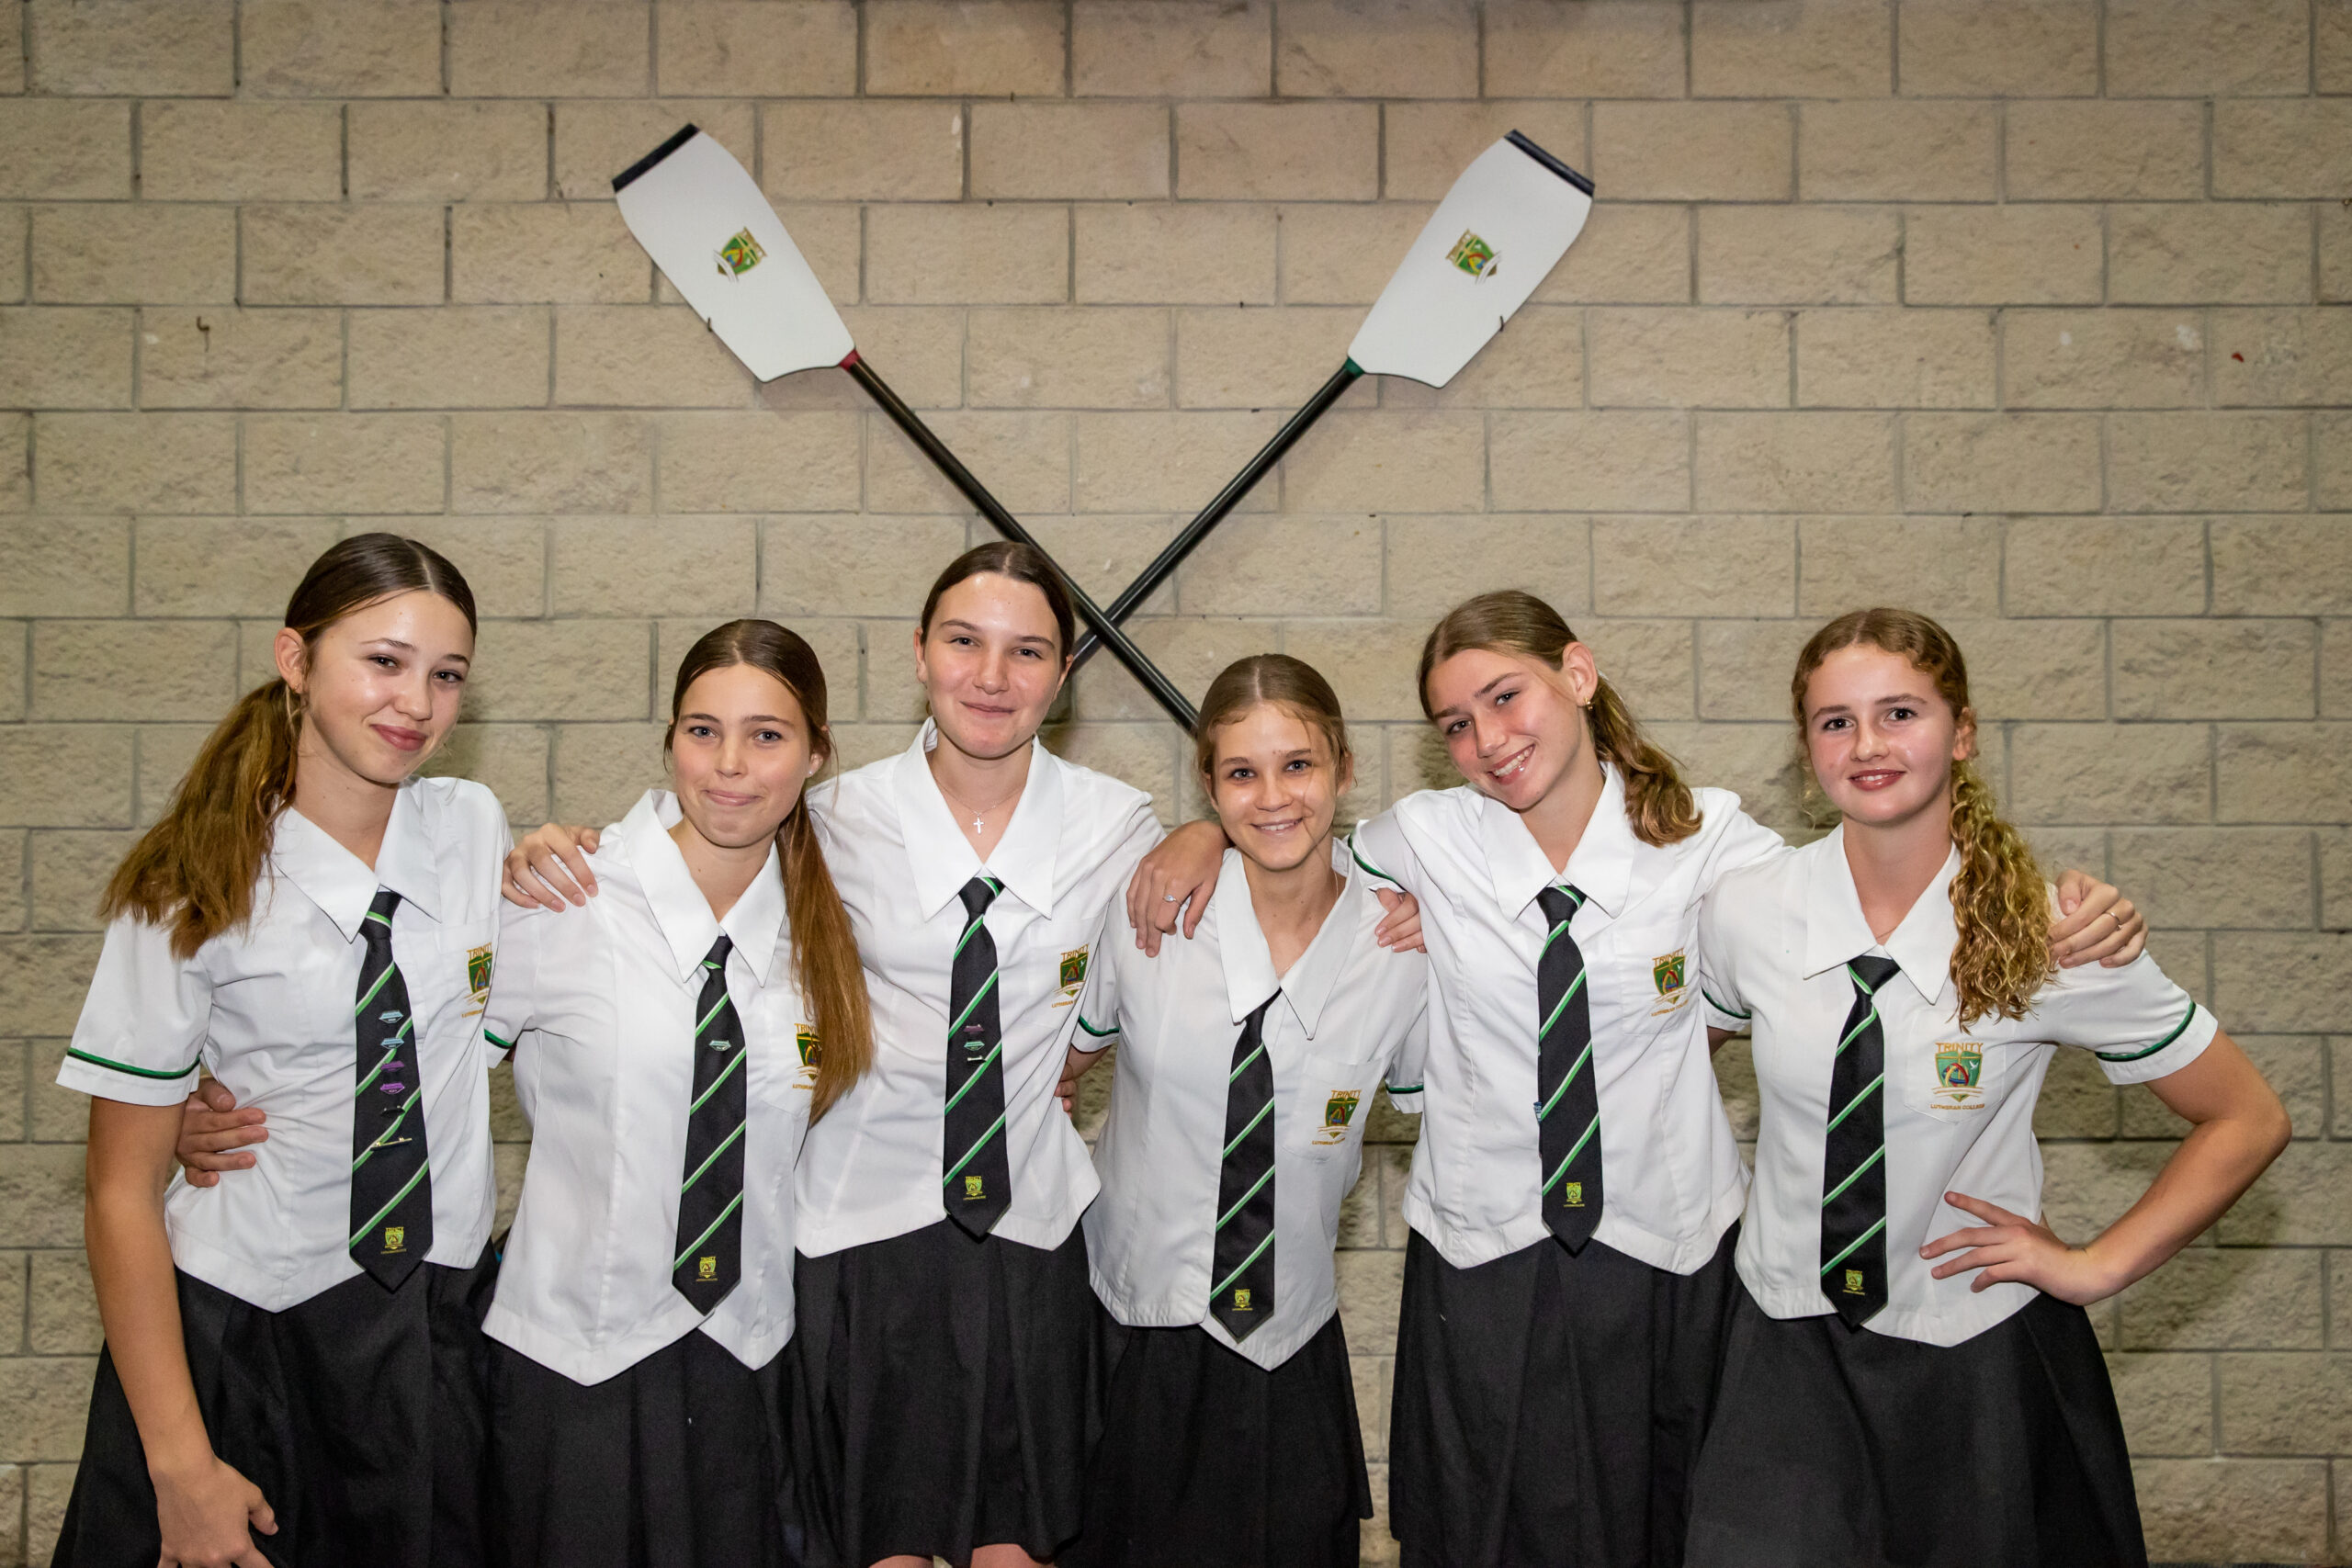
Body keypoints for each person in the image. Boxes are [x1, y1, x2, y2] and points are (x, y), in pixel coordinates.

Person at [1124, 590, 2148, 1568]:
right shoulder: (1426, 839)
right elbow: (1293, 835)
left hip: (1668, 1257)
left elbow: (1856, 885)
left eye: (1506, 697)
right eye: (1457, 724)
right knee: (1484, 1534)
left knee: (1674, 1526)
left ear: (1577, 674)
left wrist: (2061, 905)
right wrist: (1199, 833)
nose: (1489, 739)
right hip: (1485, 1256)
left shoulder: (1710, 841)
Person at [495, 545, 1371, 1568]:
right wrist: (561, 849)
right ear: (919, 653)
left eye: (1027, 650)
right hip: (865, 1237)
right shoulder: (827, 822)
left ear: (1065, 670)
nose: (991, 676)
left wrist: (1202, 832)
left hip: (1032, 1239)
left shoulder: (1116, 826)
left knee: (1020, 1552)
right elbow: (692, 863)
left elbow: (1272, 847)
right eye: (964, 641)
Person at [1682, 607, 2289, 1568]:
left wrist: (2095, 1266)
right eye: (1836, 721)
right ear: (1806, 750)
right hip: (1783, 1345)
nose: (1868, 743)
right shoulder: (1745, 912)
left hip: (1973, 1352)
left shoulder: (2051, 936)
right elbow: (1662, 1052)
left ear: (1961, 732)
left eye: (1900, 713)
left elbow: (2246, 1117)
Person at [54, 535, 505, 1568]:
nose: (416, 704)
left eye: (446, 676)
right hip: (245, 1342)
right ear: (295, 659)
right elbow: (118, 1194)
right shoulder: (190, 884)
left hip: (431, 1337)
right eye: (383, 662)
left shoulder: (473, 826)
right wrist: (181, 1467)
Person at [475, 619, 870, 1566]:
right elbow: (419, 1076)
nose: (729, 765)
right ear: (669, 740)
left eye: (766, 735)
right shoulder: (563, 898)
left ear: (815, 754)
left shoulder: (830, 934)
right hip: (574, 1367)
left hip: (748, 1368)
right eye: (702, 730)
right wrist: (203, 1116)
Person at [1060, 655, 1427, 1568]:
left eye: (1298, 765)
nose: (1272, 798)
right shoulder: (1147, 914)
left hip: (1287, 1342)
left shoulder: (1403, 949)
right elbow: (1053, 1072)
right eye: (1240, 773)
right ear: (1210, 786)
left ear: (1344, 768)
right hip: (1131, 1334)